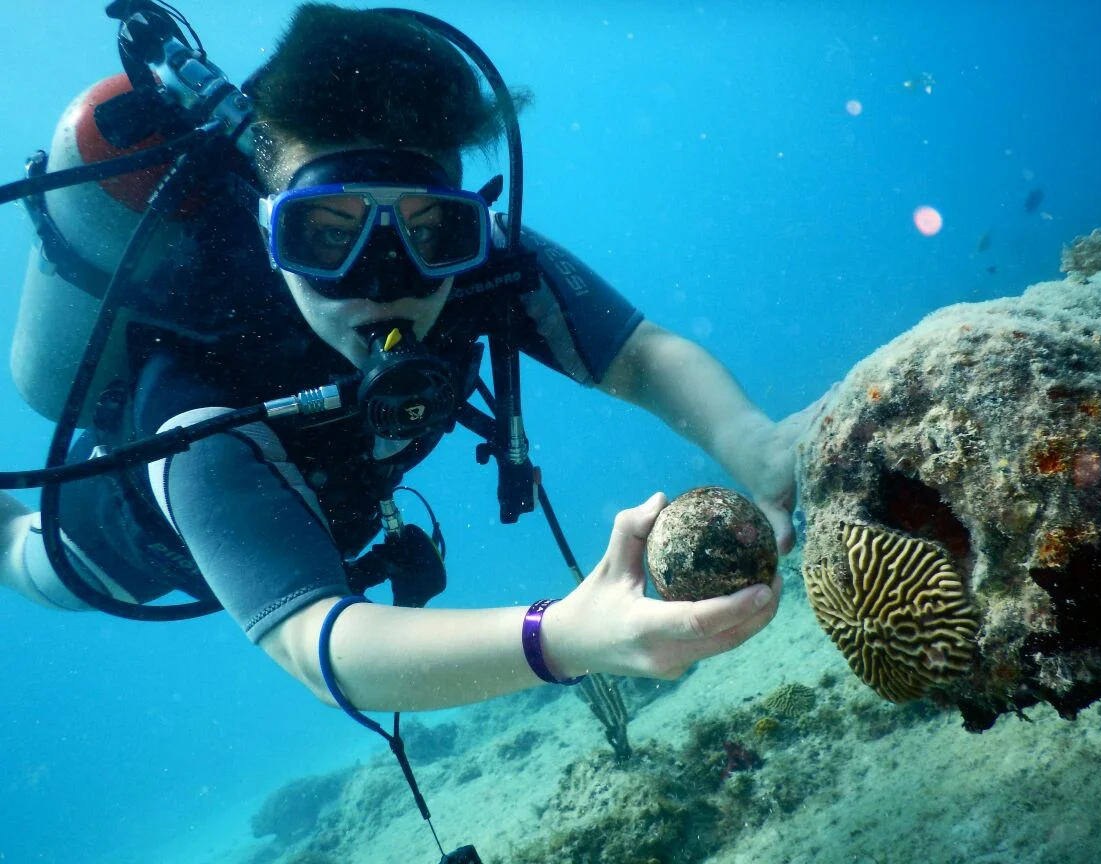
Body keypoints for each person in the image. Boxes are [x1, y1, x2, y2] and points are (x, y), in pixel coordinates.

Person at [0, 3, 802, 715]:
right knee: (25, 559)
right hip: (132, 539)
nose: (386, 279)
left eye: (431, 232)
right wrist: (559, 639)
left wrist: (756, 444)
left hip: (345, 499)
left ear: (468, 226)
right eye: (326, 233)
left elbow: (635, 354)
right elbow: (320, 642)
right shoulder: (196, 385)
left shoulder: (485, 266)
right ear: (267, 231)